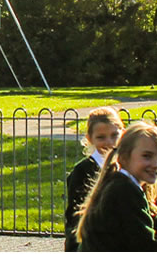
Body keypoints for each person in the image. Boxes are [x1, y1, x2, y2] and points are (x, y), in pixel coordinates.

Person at [75, 120, 157, 252]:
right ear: (124, 157)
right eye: (147, 156)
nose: (156, 165)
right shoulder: (123, 191)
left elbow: (151, 217)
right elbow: (145, 247)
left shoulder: (121, 183)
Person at [65, 107, 123, 252]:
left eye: (114, 135)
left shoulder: (128, 166)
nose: (109, 142)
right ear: (90, 139)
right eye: (101, 137)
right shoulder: (82, 171)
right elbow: (75, 216)